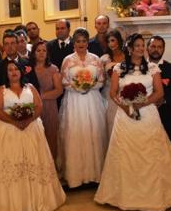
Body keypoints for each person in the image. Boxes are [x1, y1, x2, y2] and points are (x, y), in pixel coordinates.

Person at [95, 33, 171, 211]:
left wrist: (141, 103)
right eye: (137, 45)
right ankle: (124, 196)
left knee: (150, 153)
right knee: (126, 154)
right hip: (125, 114)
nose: (141, 48)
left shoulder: (152, 68)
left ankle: (154, 196)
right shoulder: (119, 68)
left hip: (148, 112)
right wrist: (126, 107)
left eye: (143, 45)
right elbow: (113, 92)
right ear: (129, 48)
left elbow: (159, 93)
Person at [0, 60, 66, 211]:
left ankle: (34, 199)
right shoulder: (1, 90)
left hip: (31, 128)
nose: (13, 72)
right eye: (10, 70)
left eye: (16, 69)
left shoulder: (30, 88)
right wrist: (14, 121)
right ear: (6, 73)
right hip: (7, 129)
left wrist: (27, 120)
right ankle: (10, 203)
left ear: (21, 72)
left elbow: (38, 106)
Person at [58, 28, 107, 187]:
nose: (81, 44)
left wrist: (89, 86)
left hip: (92, 99)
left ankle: (95, 173)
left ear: (88, 42)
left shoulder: (96, 59)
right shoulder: (67, 60)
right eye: (78, 41)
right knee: (76, 133)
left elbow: (101, 81)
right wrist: (78, 87)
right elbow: (64, 82)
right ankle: (76, 175)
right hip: (74, 100)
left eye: (84, 41)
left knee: (93, 132)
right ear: (74, 42)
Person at [0, 31, 32, 128]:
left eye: (12, 43)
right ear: (3, 46)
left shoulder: (27, 64)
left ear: (17, 44)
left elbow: (33, 86)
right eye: (6, 44)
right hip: (5, 115)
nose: (9, 46)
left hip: (26, 111)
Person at [148, 35, 171, 157]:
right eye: (152, 46)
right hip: (145, 113)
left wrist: (165, 100)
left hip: (166, 115)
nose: (156, 49)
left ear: (163, 49)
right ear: (147, 48)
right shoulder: (140, 68)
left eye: (159, 47)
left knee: (169, 149)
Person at [28, 42, 63, 159]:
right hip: (32, 107)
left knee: (51, 136)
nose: (41, 53)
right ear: (33, 53)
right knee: (34, 137)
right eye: (38, 50)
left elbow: (59, 90)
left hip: (50, 106)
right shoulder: (28, 68)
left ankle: (52, 167)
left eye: (44, 50)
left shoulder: (53, 69)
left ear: (47, 53)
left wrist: (41, 96)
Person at [99, 29, 124, 133]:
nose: (111, 44)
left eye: (113, 40)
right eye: (108, 42)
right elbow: (101, 78)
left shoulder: (127, 57)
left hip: (124, 92)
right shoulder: (104, 59)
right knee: (111, 121)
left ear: (119, 40)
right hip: (109, 93)